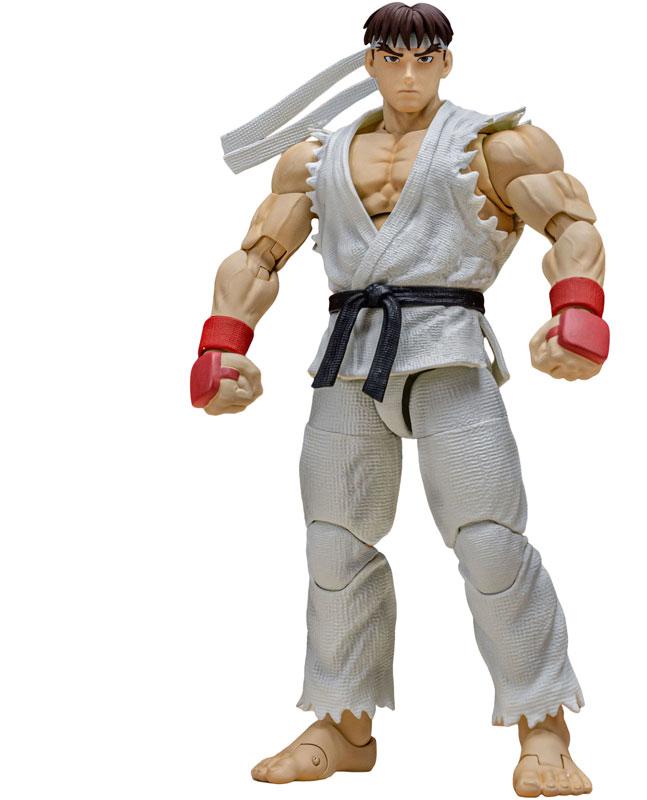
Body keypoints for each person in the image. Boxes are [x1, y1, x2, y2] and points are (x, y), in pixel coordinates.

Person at [190, 3, 608, 796]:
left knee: (490, 542)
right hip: (348, 357)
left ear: (446, 62)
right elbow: (259, 255)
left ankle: (544, 724)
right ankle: (343, 723)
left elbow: (572, 224)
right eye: (392, 57)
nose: (409, 73)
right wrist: (223, 345)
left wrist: (578, 311)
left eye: (424, 57)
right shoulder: (315, 158)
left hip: (449, 350)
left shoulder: (496, 144)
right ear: (370, 63)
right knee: (333, 544)